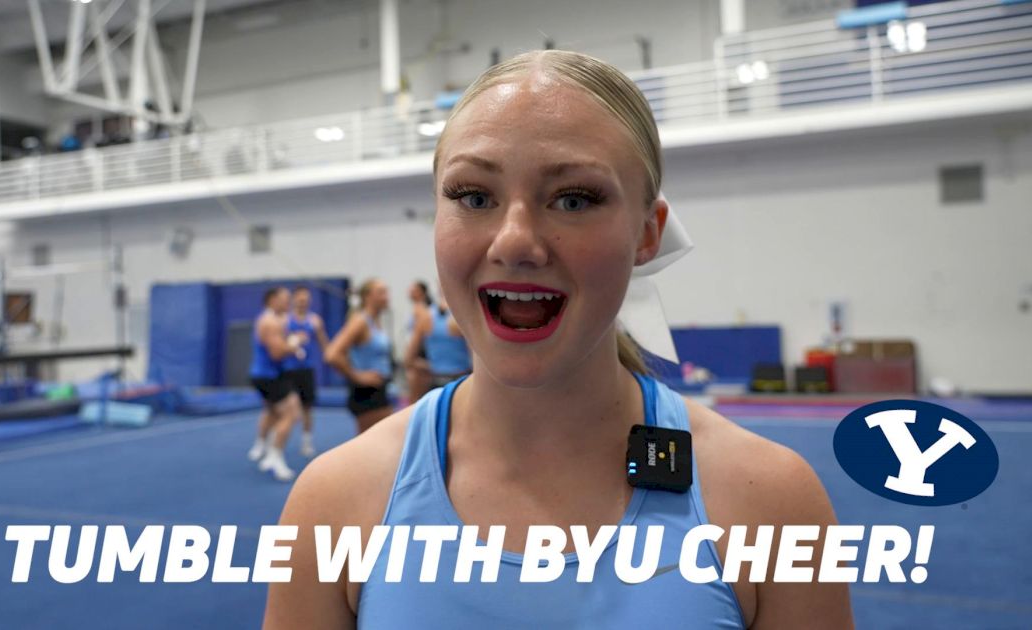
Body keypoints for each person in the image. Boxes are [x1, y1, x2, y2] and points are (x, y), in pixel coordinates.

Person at [265, 51, 851, 628]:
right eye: (474, 197)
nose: (515, 241)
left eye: (573, 199)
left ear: (647, 234)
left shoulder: (768, 501)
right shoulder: (336, 502)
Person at [247, 286, 307, 482]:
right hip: (268, 376)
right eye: (285, 299)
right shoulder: (270, 322)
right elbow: (277, 352)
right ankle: (275, 456)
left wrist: (291, 341)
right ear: (272, 300)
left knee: (273, 413)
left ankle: (266, 449)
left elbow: (281, 344)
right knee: (292, 413)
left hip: (272, 374)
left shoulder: (277, 319)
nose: (288, 302)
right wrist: (295, 344)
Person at [324, 279, 394, 434]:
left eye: (387, 292)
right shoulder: (360, 322)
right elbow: (332, 355)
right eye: (381, 293)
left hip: (379, 388)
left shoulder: (376, 321)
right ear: (368, 297)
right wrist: (357, 376)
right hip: (366, 393)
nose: (387, 297)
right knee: (375, 444)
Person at [280, 287, 330, 458]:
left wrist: (329, 356)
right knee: (284, 407)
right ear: (294, 300)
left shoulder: (314, 320)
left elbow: (324, 343)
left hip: (306, 370)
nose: (303, 302)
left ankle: (306, 441)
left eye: (306, 299)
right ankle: (272, 442)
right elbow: (277, 342)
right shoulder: (285, 320)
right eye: (300, 299)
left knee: (307, 408)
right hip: (288, 370)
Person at [404, 297, 471, 393]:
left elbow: (408, 360)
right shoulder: (463, 316)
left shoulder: (426, 317)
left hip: (437, 381)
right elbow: (477, 361)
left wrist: (434, 366)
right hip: (461, 382)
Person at [404, 280, 436, 403]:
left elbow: (422, 335)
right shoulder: (417, 308)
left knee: (416, 396)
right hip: (415, 350)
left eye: (414, 290)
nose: (410, 292)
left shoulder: (422, 310)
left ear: (422, 293)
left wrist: (412, 354)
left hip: (419, 352)